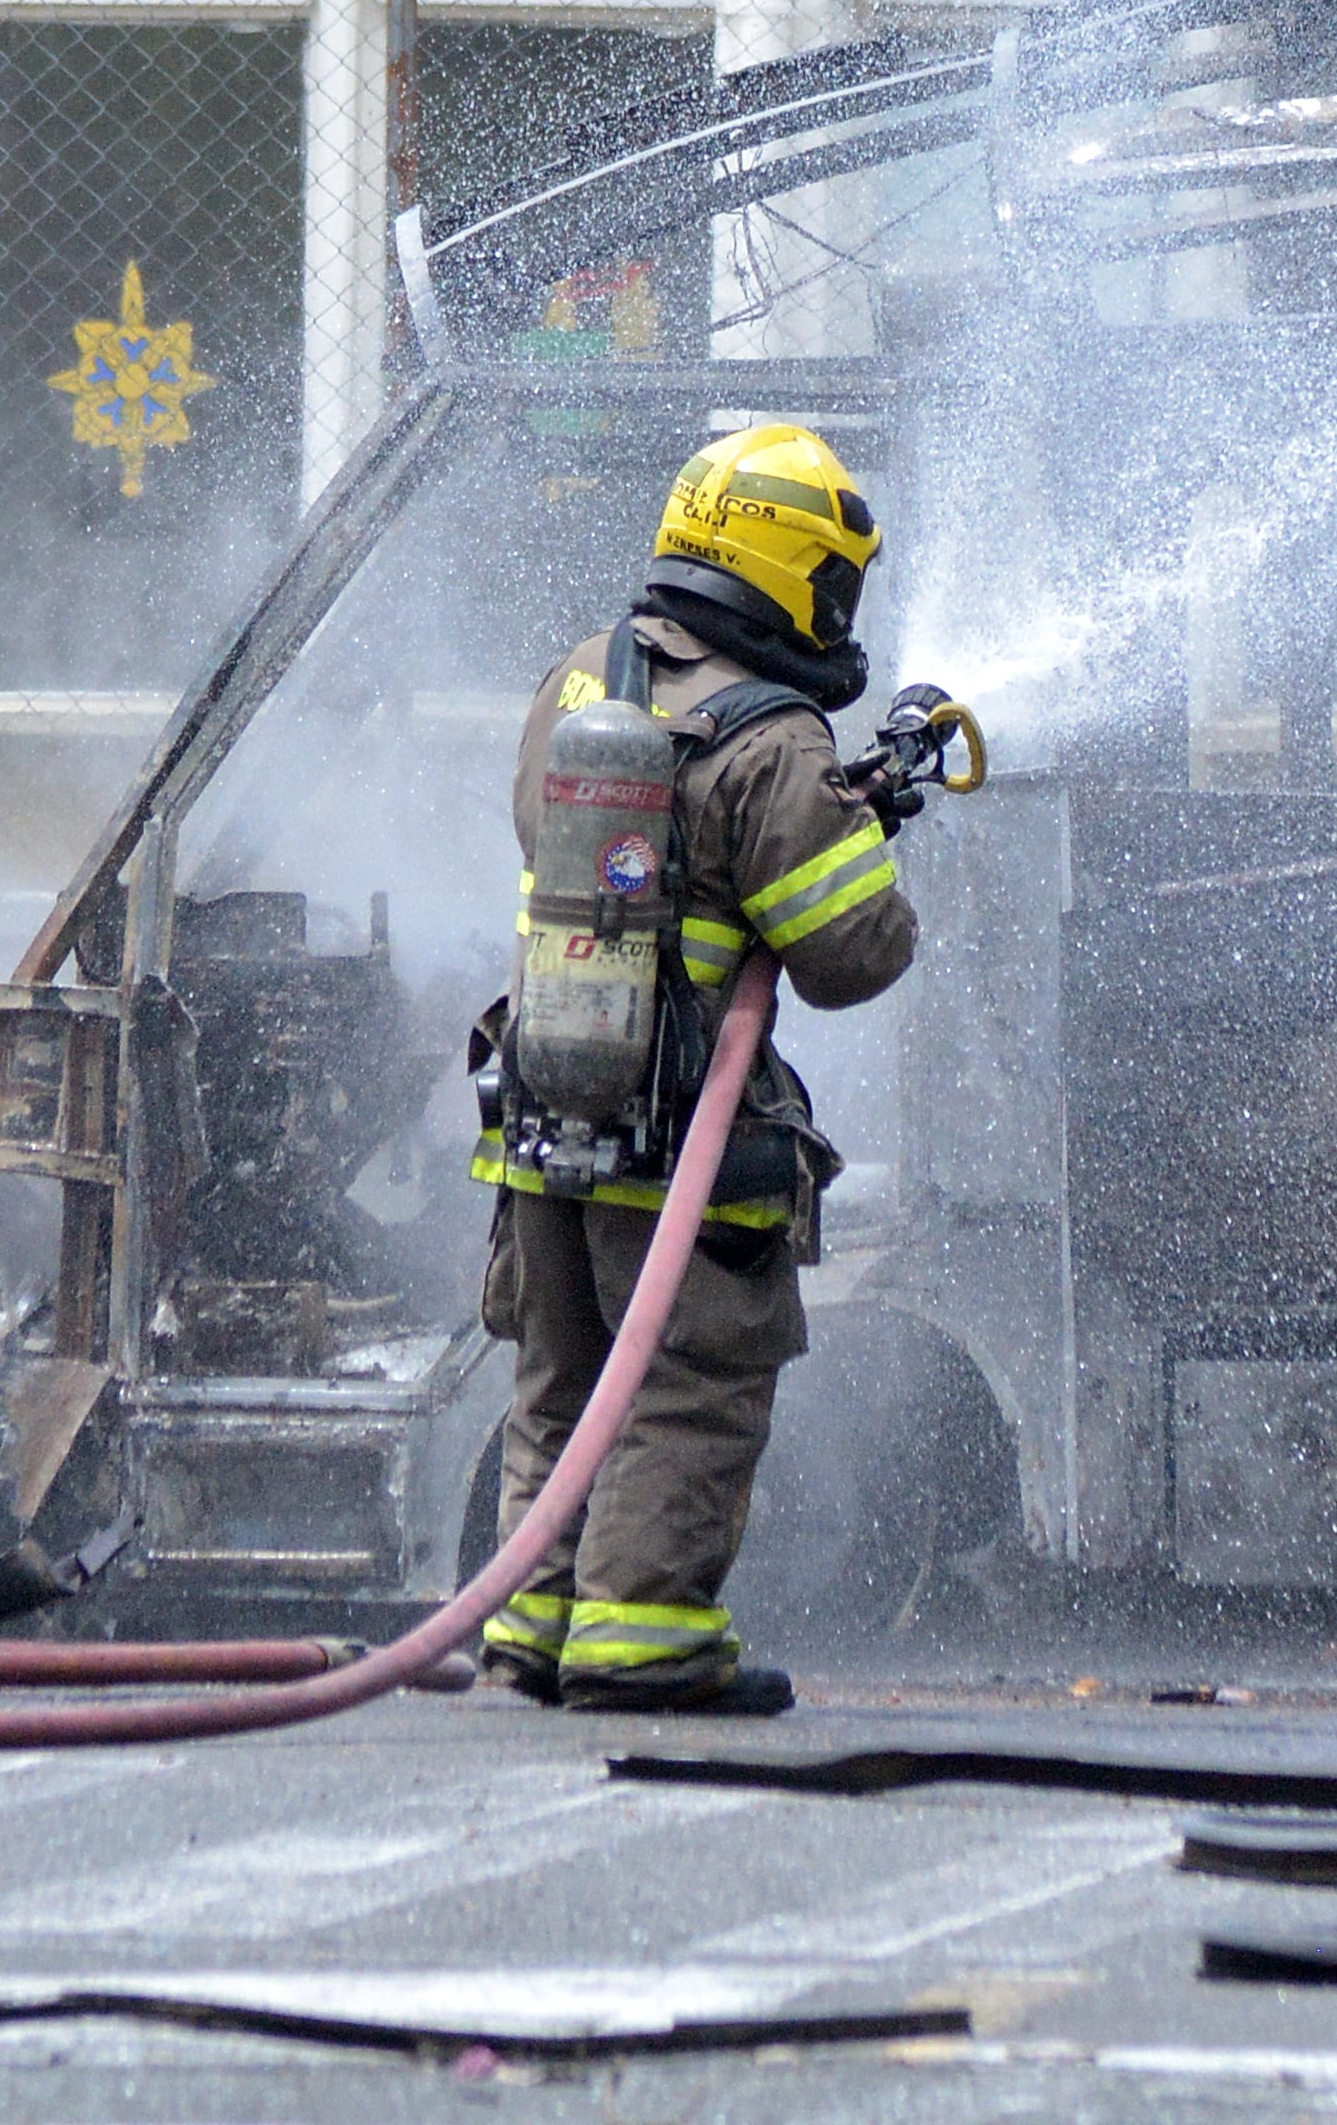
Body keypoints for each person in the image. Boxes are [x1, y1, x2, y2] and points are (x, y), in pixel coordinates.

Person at [471, 422, 918, 1718]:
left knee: (560, 1383)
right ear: (786, 570)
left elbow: (593, 842)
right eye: (831, 581)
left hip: (545, 1111)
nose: (839, 612)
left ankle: (531, 1634)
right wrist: (848, 832)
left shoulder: (579, 679)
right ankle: (644, 1637)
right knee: (685, 1385)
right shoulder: (774, 741)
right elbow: (852, 951)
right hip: (681, 1149)